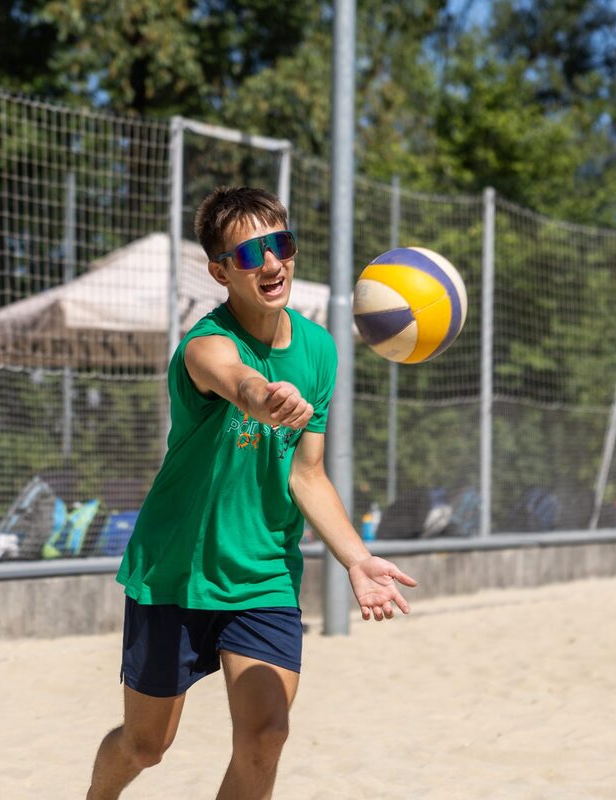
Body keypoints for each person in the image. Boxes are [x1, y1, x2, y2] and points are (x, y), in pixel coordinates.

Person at [87, 186, 417, 799]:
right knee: (146, 745)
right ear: (221, 272)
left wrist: (357, 558)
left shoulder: (318, 348)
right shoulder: (204, 344)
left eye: (281, 245)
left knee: (266, 736)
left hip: (264, 572)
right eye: (248, 254)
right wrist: (265, 397)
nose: (271, 263)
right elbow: (238, 382)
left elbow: (306, 474)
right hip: (176, 572)